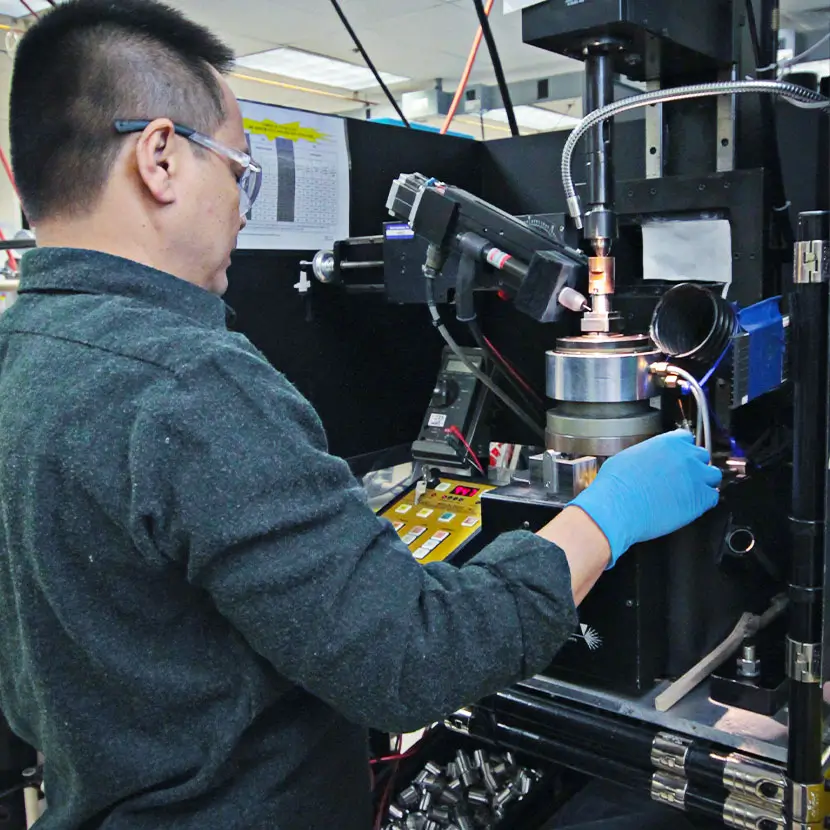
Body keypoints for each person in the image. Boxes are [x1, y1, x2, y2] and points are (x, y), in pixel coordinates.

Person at [0, 1, 722, 828]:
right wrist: (609, 512)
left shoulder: (23, 353)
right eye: (242, 172)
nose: (243, 209)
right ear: (160, 157)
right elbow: (414, 658)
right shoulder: (190, 385)